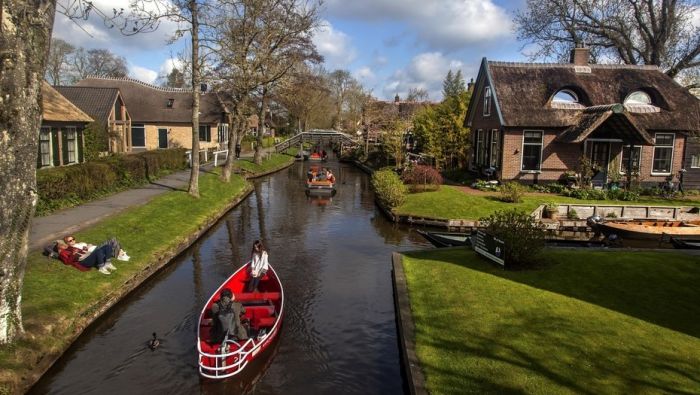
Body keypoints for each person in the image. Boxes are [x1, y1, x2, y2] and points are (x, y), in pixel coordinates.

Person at [64, 235, 130, 262]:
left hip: (95, 248)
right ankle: (120, 254)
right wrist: (87, 247)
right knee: (112, 240)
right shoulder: (72, 248)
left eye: (73, 239)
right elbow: (82, 253)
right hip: (93, 251)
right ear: (67, 243)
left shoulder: (79, 243)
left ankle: (120, 253)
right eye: (70, 240)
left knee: (114, 242)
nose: (72, 241)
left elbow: (86, 246)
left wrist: (89, 245)